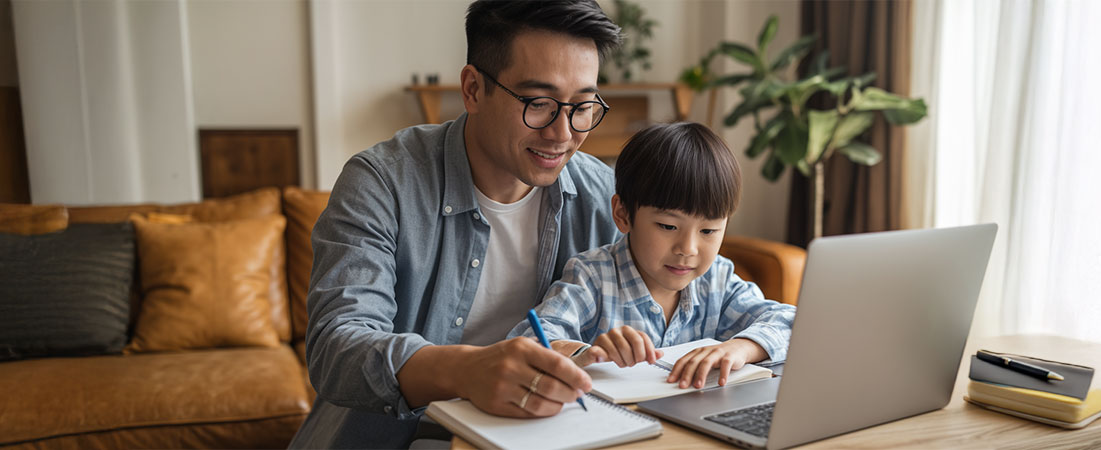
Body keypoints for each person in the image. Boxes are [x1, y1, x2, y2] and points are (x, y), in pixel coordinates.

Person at [289, 1, 622, 448]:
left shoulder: (605, 196)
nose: (563, 133)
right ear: (473, 89)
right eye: (539, 103)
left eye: (581, 105)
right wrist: (466, 370)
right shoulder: (383, 182)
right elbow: (336, 348)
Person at [508, 122, 797, 390]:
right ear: (622, 214)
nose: (688, 248)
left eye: (709, 231)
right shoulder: (592, 277)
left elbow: (792, 322)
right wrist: (587, 353)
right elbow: (530, 340)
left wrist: (742, 347)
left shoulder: (717, 280)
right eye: (668, 226)